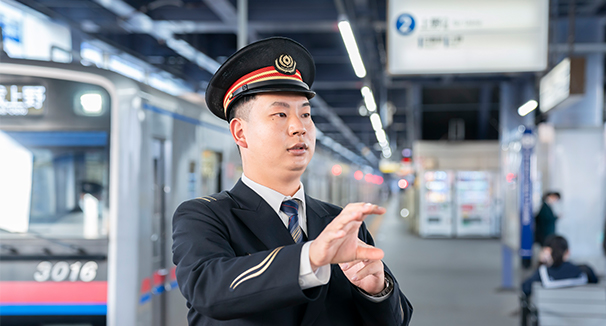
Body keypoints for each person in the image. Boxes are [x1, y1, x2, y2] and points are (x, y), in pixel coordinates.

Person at [171, 37, 412, 325]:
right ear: (240, 133)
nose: (299, 127)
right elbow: (208, 288)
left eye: (306, 114)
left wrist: (377, 290)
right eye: (280, 114)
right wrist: (309, 257)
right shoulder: (205, 216)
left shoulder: (339, 222)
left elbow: (397, 320)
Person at [521, 235, 595, 297]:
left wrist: (541, 262)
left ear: (548, 252)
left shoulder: (543, 273)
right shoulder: (585, 271)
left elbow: (525, 289)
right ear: (568, 252)